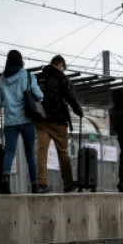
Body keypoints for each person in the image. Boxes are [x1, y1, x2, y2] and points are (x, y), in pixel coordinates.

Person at [34, 55, 84, 193]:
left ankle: (41, 183)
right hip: (58, 121)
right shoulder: (61, 77)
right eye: (63, 68)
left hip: (41, 120)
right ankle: (67, 183)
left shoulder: (38, 77)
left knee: (41, 151)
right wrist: (78, 110)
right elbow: (70, 96)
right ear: (60, 65)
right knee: (63, 152)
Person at [0, 49, 42, 193]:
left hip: (10, 122)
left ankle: (5, 177)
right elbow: (39, 96)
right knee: (30, 153)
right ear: (21, 61)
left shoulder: (1, 80)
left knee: (9, 152)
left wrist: (9, 100)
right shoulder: (28, 76)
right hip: (27, 120)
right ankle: (34, 185)